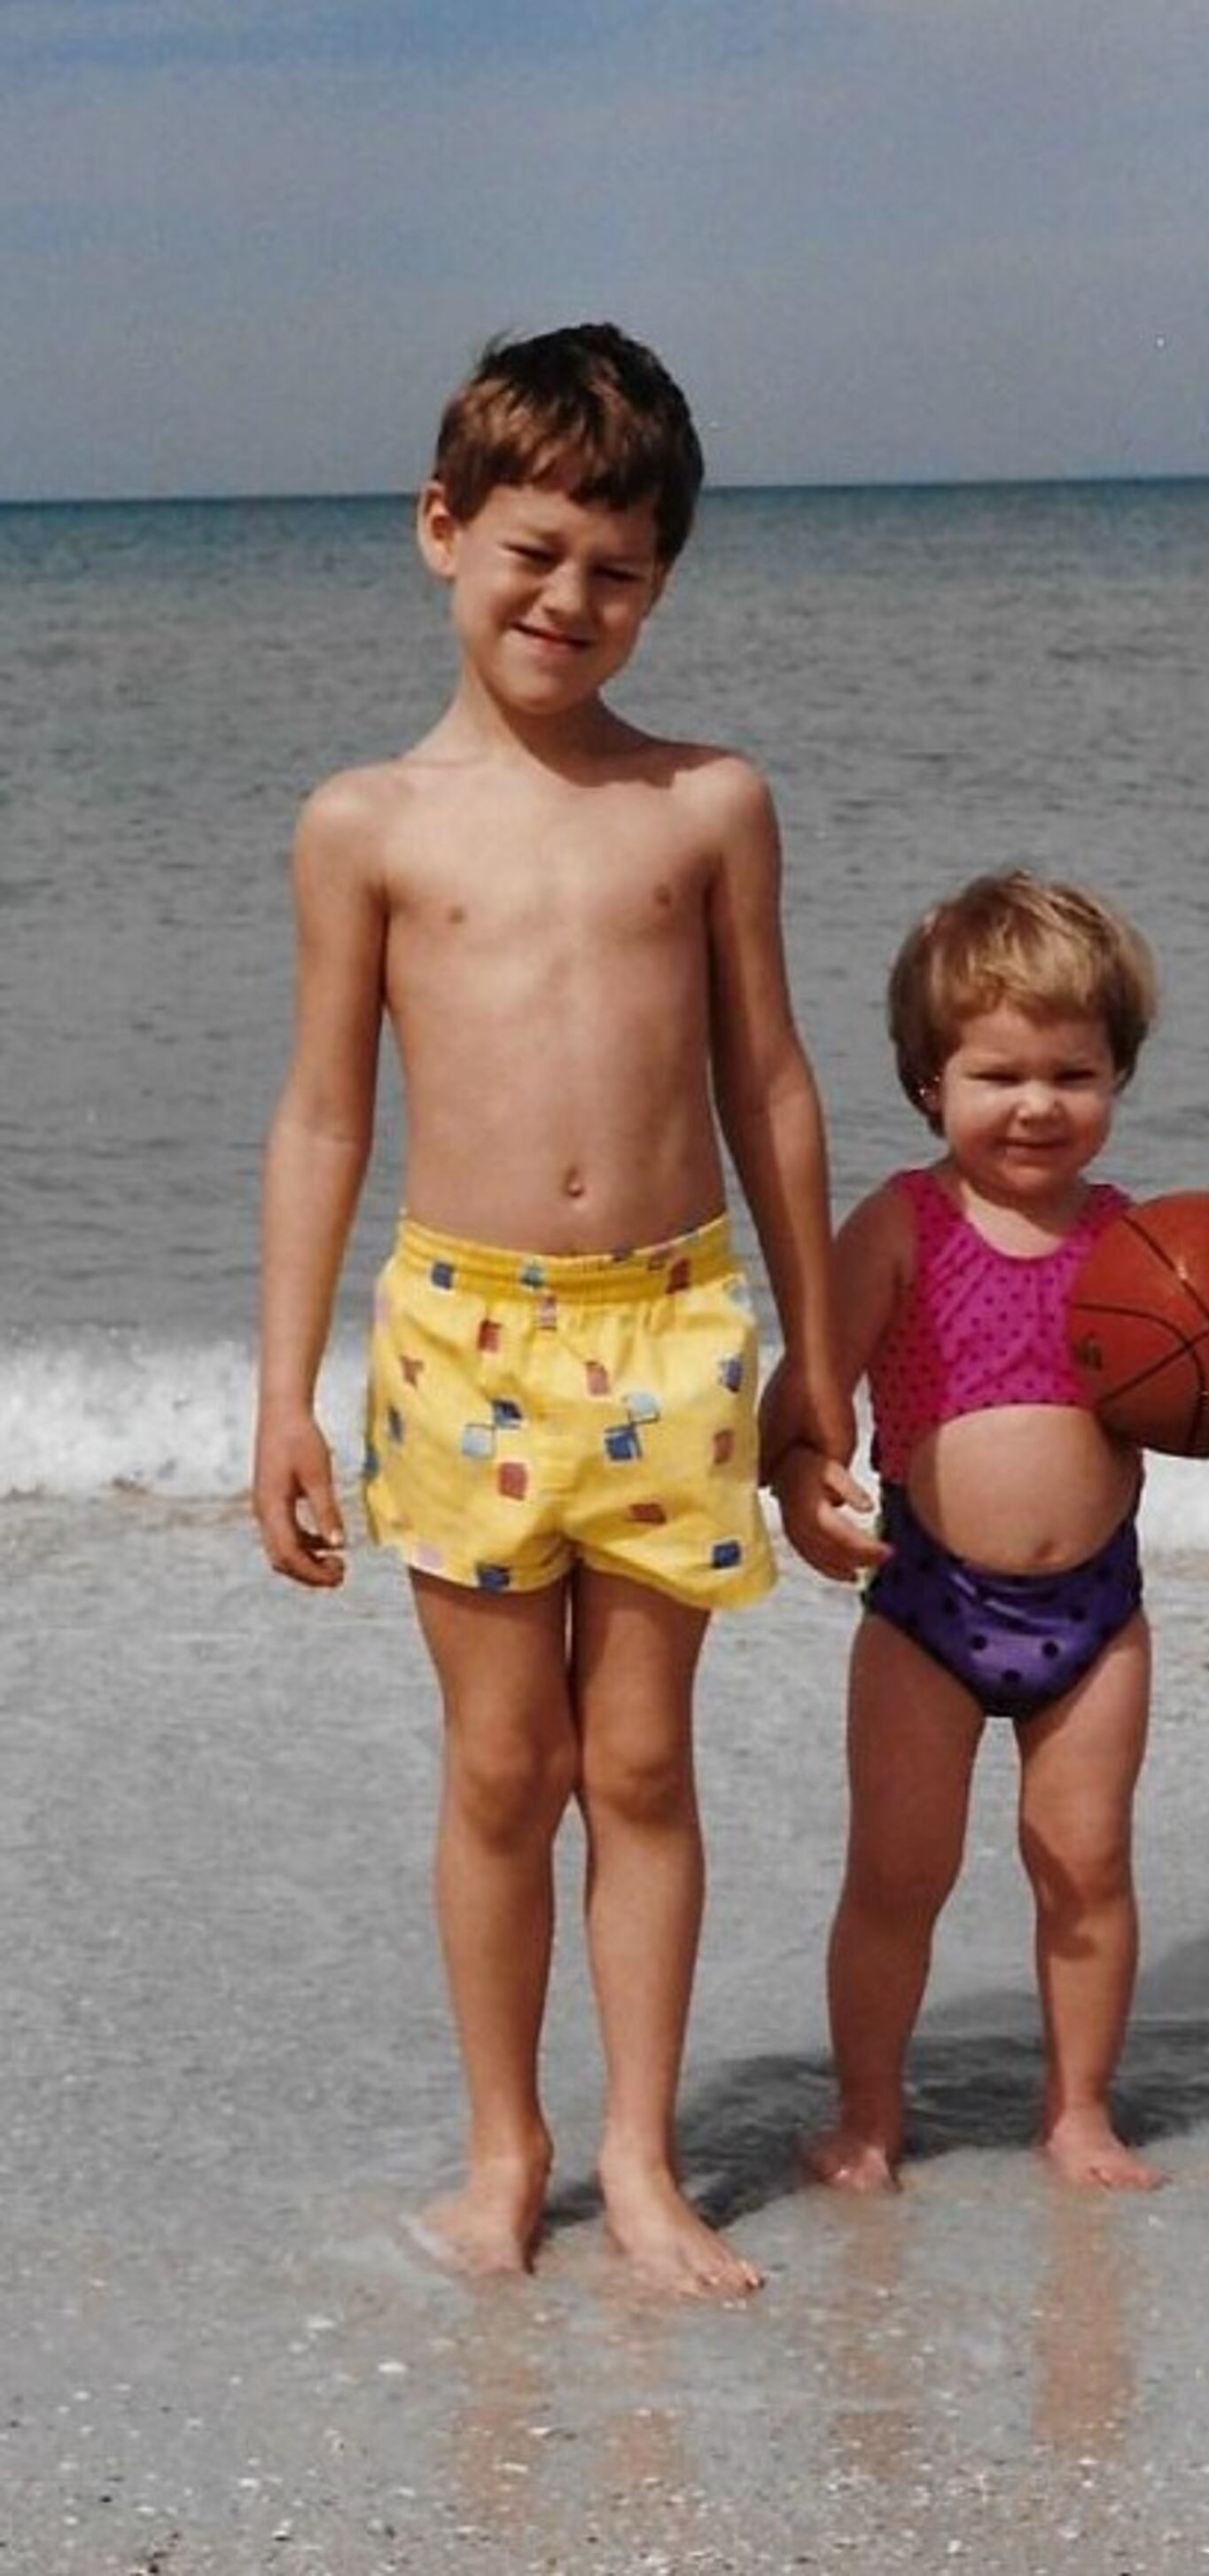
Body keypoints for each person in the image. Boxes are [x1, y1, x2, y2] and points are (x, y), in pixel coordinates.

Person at [252, 323, 851, 2296]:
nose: (567, 601)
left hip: (675, 1328)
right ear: (441, 531)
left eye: (615, 569)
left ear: (659, 580)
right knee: (501, 1767)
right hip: (461, 1340)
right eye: (530, 552)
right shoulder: (366, 824)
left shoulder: (706, 802)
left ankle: (640, 2154)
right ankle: (506, 2150)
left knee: (646, 1764)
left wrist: (813, 1370)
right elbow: (326, 1111)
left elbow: (768, 1084)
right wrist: (285, 1397)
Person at [765, 871, 1209, 2192]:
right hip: (926, 1607)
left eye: (1073, 1072)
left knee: (1085, 1865)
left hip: (1095, 1614)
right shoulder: (903, 1227)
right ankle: (867, 2114)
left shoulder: (1153, 1251)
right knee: (896, 1875)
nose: (1037, 1103)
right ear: (931, 1083)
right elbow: (803, 1392)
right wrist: (803, 1478)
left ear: (1118, 1076)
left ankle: (1079, 2108)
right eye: (998, 1073)